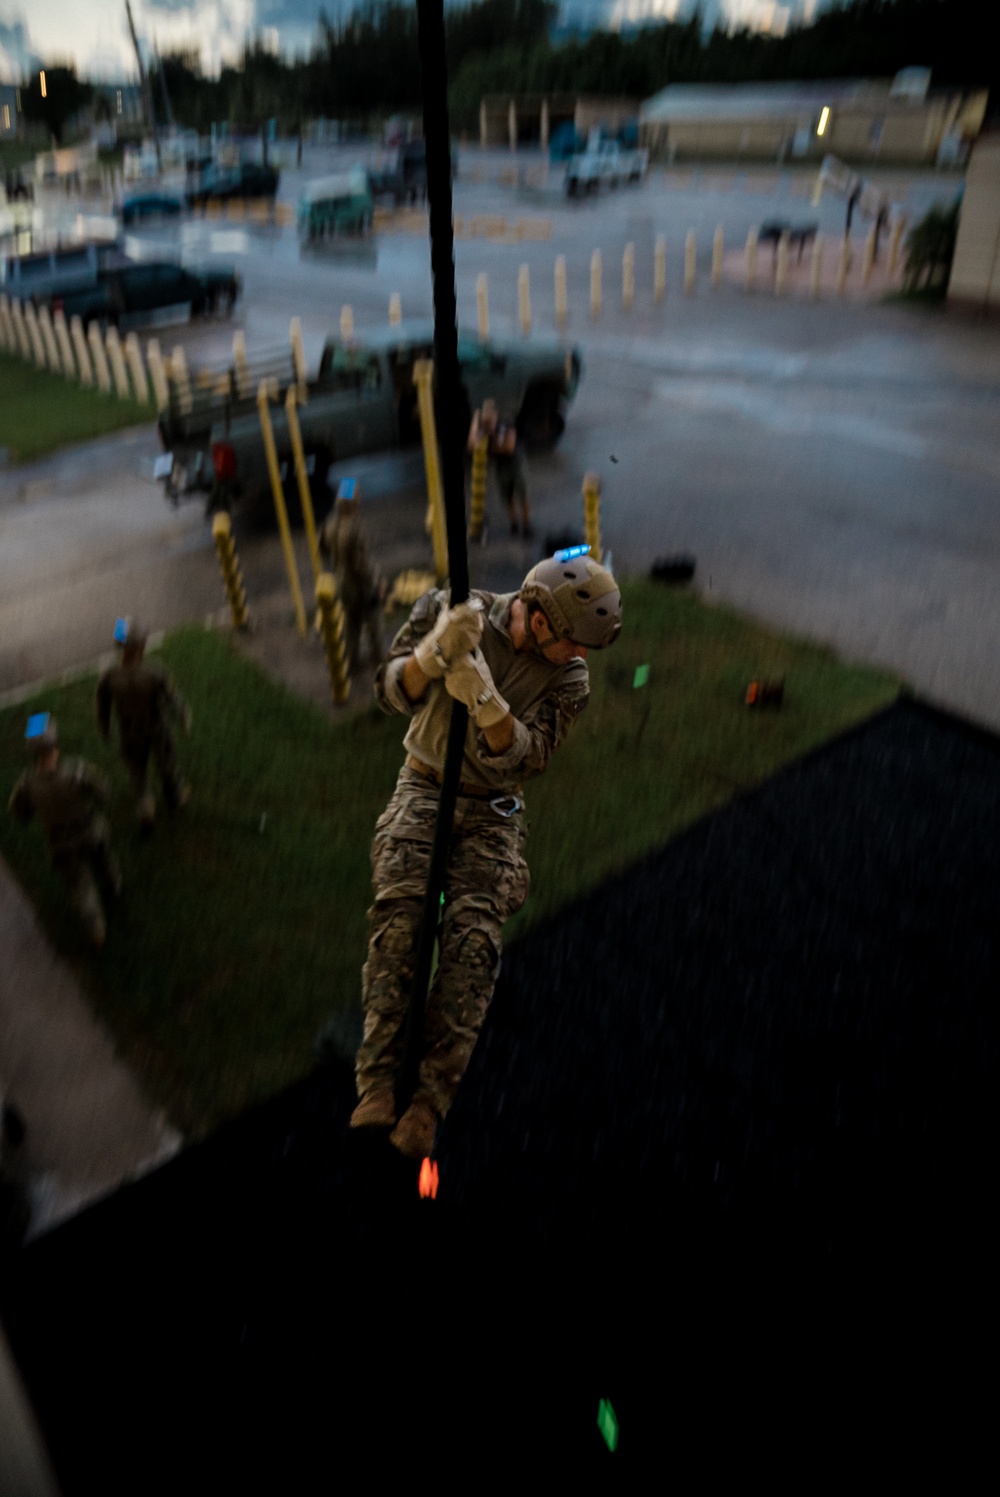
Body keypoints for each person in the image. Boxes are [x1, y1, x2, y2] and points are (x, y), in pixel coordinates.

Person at [349, 549, 622, 1159]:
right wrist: (433, 654)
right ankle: (377, 1082)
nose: (581, 657)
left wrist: (485, 700)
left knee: (473, 946)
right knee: (402, 921)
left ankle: (428, 1102)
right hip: (425, 783)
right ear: (543, 618)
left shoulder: (569, 680)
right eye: (574, 641)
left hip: (494, 809)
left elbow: (527, 757)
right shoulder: (453, 609)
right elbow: (389, 692)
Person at [8, 713, 121, 949]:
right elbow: (103, 790)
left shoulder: (27, 784)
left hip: (61, 842)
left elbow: (19, 812)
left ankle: (95, 927)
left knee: (79, 884)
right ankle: (114, 889)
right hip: (90, 830)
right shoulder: (76, 771)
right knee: (105, 861)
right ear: (56, 745)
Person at [96, 618, 191, 832]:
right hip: (156, 729)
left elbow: (102, 708)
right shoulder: (154, 672)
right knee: (166, 765)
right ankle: (174, 799)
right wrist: (184, 717)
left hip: (129, 731)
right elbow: (172, 698)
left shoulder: (109, 677)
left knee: (137, 771)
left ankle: (146, 809)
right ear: (141, 646)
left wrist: (105, 729)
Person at [318, 478, 384, 671]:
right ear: (355, 502)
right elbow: (361, 564)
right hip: (359, 585)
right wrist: (376, 584)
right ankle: (378, 658)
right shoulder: (355, 528)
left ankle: (352, 661)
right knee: (374, 620)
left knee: (351, 623)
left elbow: (321, 547)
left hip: (341, 581)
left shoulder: (330, 524)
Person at [468, 399, 533, 539]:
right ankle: (514, 524)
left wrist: (489, 446)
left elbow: (509, 448)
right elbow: (471, 445)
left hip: (515, 462)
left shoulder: (505, 423)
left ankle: (527, 526)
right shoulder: (484, 427)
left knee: (522, 494)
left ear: (495, 415)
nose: (488, 423)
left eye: (490, 419)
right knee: (507, 496)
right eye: (485, 419)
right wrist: (475, 419)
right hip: (500, 465)